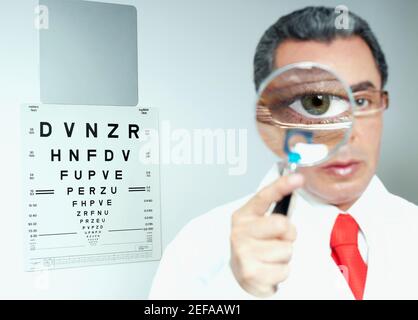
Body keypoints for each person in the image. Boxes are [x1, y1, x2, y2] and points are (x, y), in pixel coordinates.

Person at [149, 6, 418, 300]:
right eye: (315, 104)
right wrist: (236, 291)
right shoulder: (199, 246)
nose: (348, 135)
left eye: (363, 102)